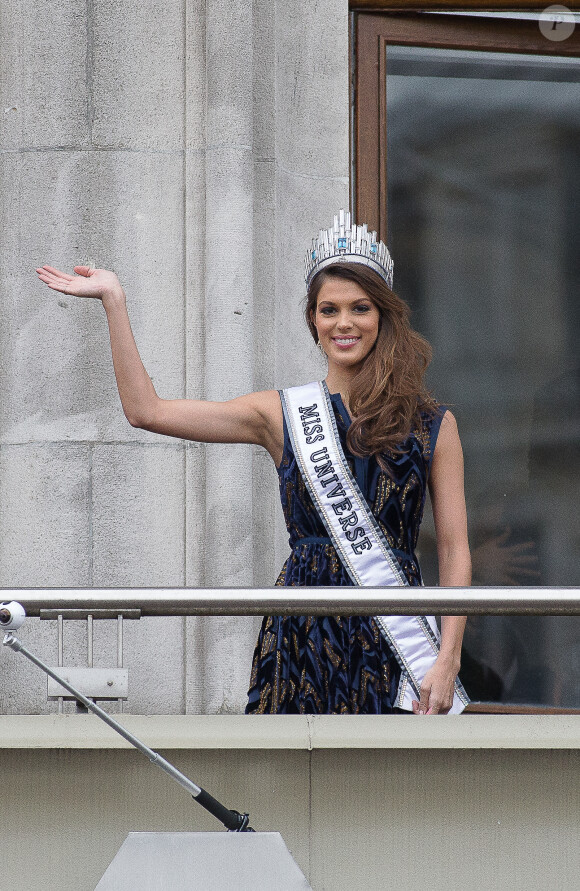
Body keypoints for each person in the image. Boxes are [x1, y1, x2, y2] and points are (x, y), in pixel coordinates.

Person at [36, 210, 470, 717]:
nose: (344, 323)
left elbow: (455, 551)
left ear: (384, 316)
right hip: (304, 627)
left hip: (395, 633)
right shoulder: (279, 414)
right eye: (329, 310)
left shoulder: (433, 426)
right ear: (313, 320)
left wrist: (447, 659)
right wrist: (115, 301)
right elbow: (146, 412)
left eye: (361, 308)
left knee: (387, 785)